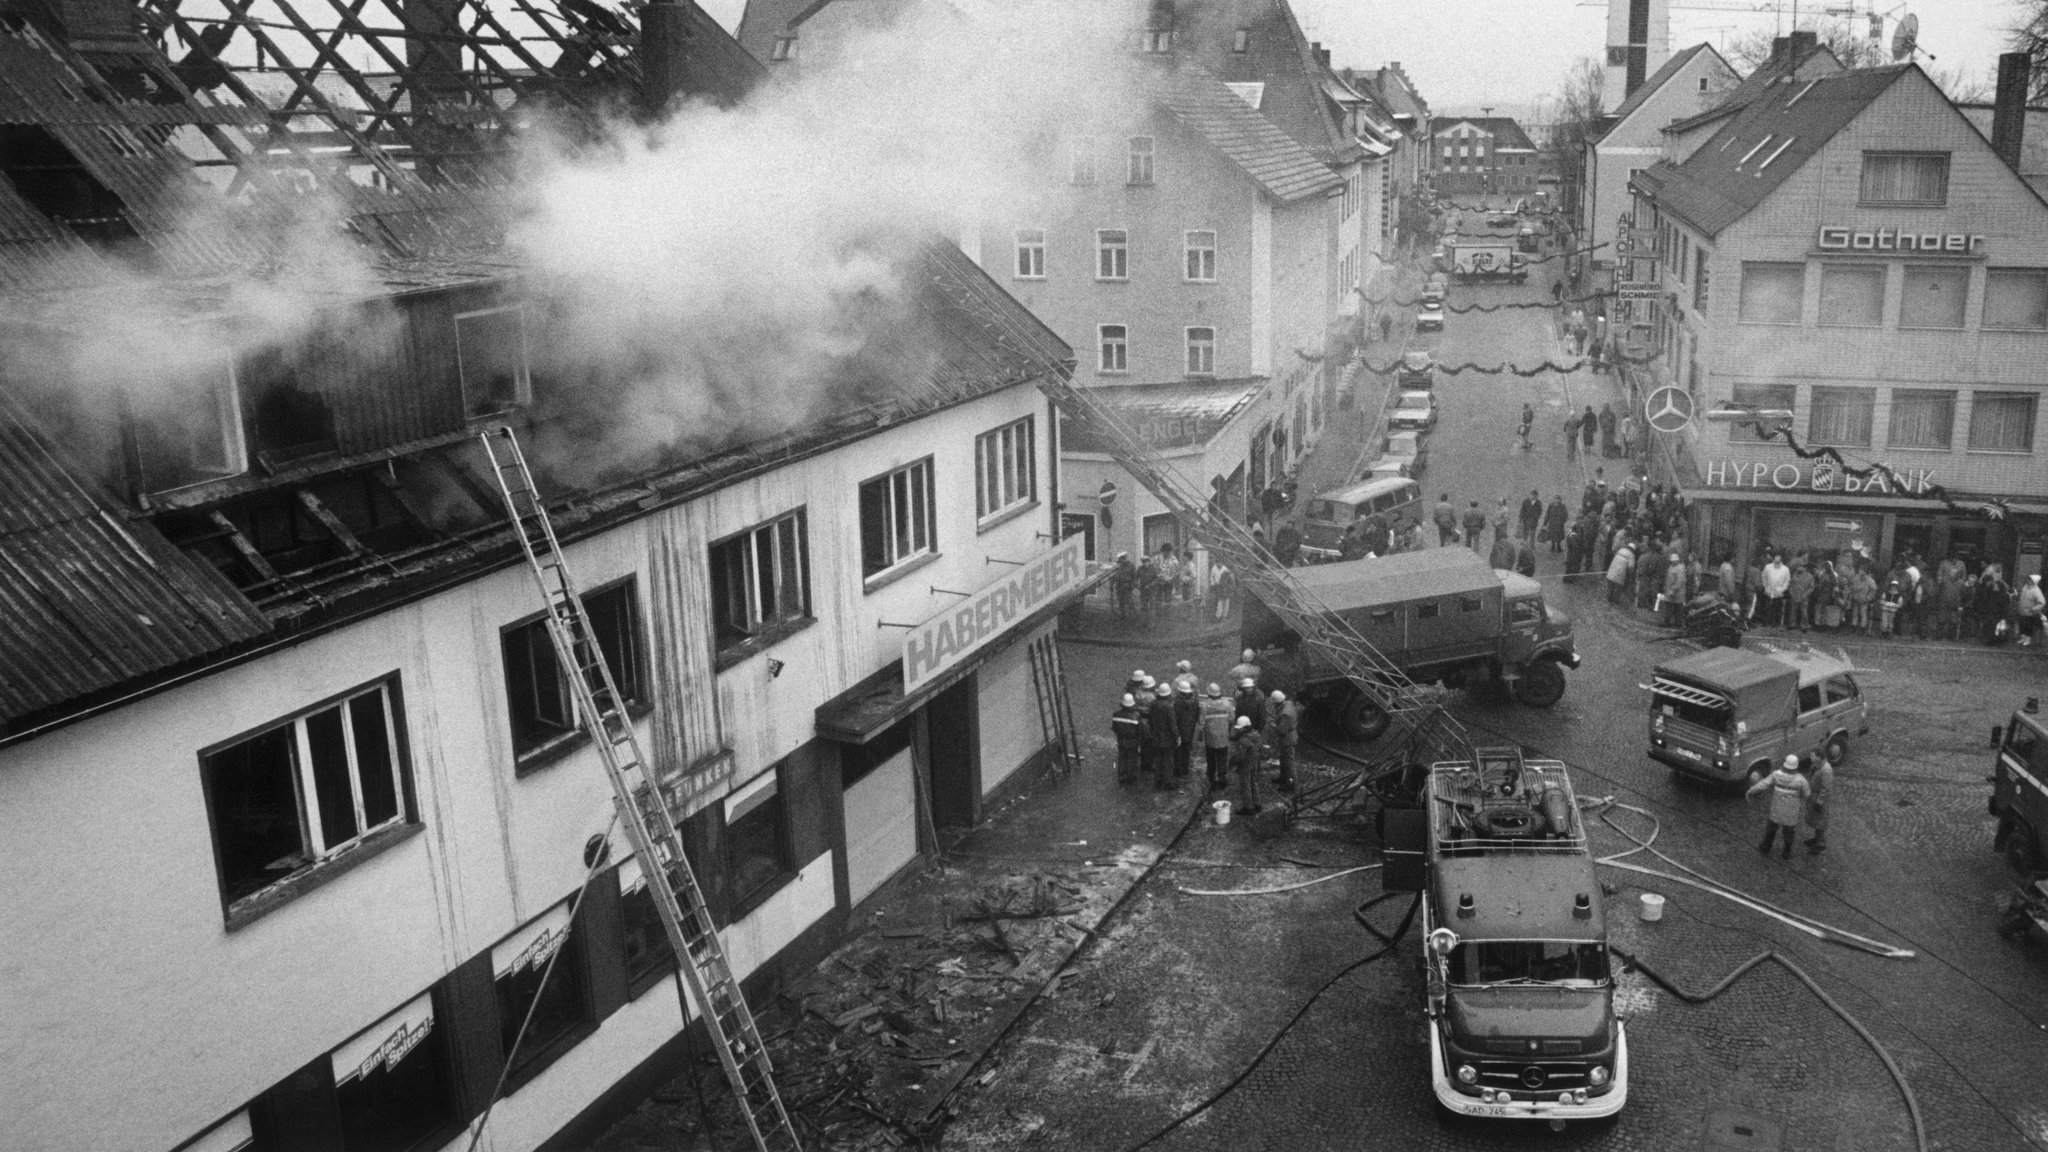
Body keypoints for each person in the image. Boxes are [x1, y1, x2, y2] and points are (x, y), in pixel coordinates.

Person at [1746, 754, 1811, 861]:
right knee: (1789, 832)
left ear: (1785, 765)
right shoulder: (1801, 780)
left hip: (1776, 810)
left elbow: (1762, 785)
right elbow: (1807, 794)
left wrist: (1750, 792)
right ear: (1796, 767)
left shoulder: (1776, 775)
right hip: (1791, 812)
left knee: (1771, 830)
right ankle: (1786, 852)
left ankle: (1765, 848)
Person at [1199, 683, 1235, 791]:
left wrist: (1200, 736)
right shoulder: (1227, 704)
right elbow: (1232, 718)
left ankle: (1211, 778)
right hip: (1223, 736)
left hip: (1210, 738)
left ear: (1209, 693)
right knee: (1222, 757)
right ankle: (1222, 777)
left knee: (1211, 758)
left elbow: (1201, 722)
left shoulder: (1205, 705)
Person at [1146, 681, 1181, 790]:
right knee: (1168, 761)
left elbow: (1150, 720)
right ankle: (1168, 782)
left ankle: (1158, 781)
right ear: (1168, 694)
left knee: (1158, 760)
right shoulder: (1169, 707)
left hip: (1156, 737)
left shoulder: (1153, 704)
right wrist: (1177, 737)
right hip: (1167, 739)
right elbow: (1173, 724)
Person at [1230, 715, 1265, 817]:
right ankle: (1257, 804)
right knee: (1253, 782)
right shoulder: (1256, 734)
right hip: (1254, 761)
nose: (1239, 731)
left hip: (1246, 764)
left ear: (1245, 728)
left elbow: (1240, 756)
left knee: (1245, 785)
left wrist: (1233, 763)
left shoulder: (1243, 739)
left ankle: (1248, 808)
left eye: (1240, 729)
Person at [1268, 690, 1299, 794]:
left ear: (1276, 702)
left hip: (1287, 739)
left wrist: (1273, 725)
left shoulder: (1284, 714)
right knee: (1283, 759)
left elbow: (1282, 730)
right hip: (1289, 737)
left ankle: (1292, 785)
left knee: (1289, 763)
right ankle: (1283, 777)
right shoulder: (1289, 703)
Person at [1804, 753, 1834, 854]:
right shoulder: (1818, 766)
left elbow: (1825, 788)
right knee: (1817, 819)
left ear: (1819, 757)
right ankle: (1816, 839)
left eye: (1813, 755)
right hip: (1815, 797)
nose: (1810, 757)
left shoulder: (1826, 770)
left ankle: (1821, 845)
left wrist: (1819, 801)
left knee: (1820, 821)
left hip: (1819, 800)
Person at [1111, 694, 1144, 785]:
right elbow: (1140, 730)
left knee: (1122, 757)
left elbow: (1114, 728)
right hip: (1133, 741)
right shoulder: (1136, 716)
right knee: (1132, 759)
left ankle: (1121, 776)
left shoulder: (1116, 715)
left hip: (1121, 740)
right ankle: (1131, 777)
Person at [1173, 677, 1202, 781]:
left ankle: (1177, 769)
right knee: (1187, 749)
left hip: (1179, 729)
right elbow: (1197, 716)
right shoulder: (1195, 702)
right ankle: (1185, 768)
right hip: (1190, 729)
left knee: (1178, 750)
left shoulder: (1176, 704)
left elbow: (1174, 718)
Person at [1761, 553, 1791, 627]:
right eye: (1775, 558)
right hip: (1769, 590)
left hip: (1779, 592)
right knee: (1767, 607)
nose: (1777, 561)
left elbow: (1787, 581)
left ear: (1781, 560)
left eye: (1779, 559)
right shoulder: (1768, 567)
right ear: (1774, 559)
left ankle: (1775, 622)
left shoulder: (1785, 569)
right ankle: (1766, 622)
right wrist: (1765, 587)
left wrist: (1782, 589)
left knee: (1777, 608)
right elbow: (1763, 577)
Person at [1787, 560, 1814, 632]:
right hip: (1794, 596)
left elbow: (1811, 587)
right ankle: (1792, 624)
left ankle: (1804, 626)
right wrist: (1792, 594)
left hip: (1804, 597)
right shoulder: (1794, 575)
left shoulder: (1810, 576)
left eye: (1800, 567)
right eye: (1798, 566)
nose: (1798, 568)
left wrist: (1805, 595)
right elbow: (1790, 586)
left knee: (1804, 612)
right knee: (1793, 611)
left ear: (1804, 568)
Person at [2022, 574, 2047, 647]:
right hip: (2023, 610)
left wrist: (2034, 609)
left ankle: (2028, 640)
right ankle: (2024, 638)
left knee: (2028, 626)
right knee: (2023, 625)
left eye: (2030, 580)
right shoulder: (2025, 587)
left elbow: (2042, 602)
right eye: (2028, 579)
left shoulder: (2036, 591)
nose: (2028, 581)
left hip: (2030, 612)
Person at [1111, 553, 1136, 618]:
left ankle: (1132, 616)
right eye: (1120, 559)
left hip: (1127, 586)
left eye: (1123, 559)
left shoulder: (1131, 565)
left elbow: (1134, 577)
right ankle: (1123, 616)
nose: (1121, 561)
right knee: (1121, 602)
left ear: (1125, 558)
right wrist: (1112, 583)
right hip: (1119, 586)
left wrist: (1132, 586)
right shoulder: (1118, 565)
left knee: (1129, 602)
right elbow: (1114, 575)